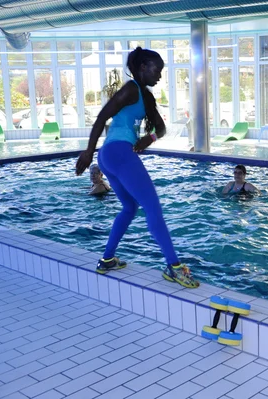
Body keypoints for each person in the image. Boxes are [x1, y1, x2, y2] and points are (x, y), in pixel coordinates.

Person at [75, 47, 198, 288]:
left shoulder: (146, 96)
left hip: (111, 156)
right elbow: (102, 117)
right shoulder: (131, 89)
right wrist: (88, 152)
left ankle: (107, 259)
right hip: (117, 152)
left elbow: (160, 129)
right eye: (157, 70)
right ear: (143, 67)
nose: (160, 76)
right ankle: (174, 267)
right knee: (153, 207)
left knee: (130, 207)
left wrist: (147, 139)